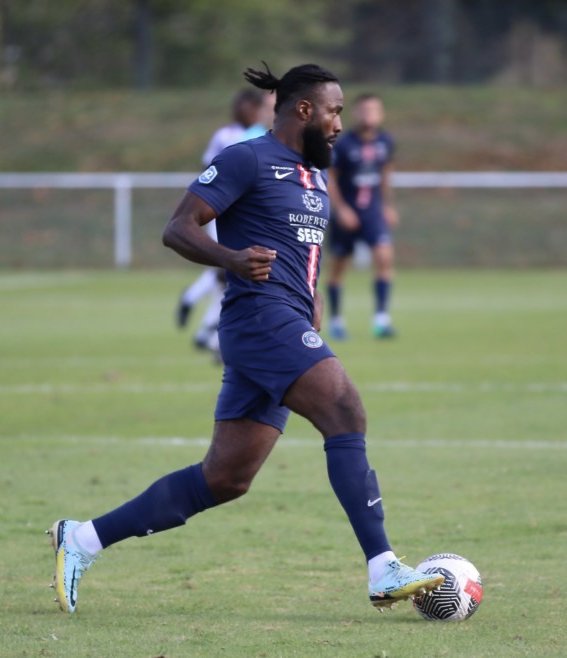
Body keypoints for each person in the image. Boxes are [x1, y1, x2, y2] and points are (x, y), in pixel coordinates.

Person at [48, 63, 443, 614]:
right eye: (334, 111)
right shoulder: (247, 158)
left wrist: (313, 302)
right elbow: (179, 227)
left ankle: (82, 538)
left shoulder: (314, 174)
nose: (339, 124)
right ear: (303, 110)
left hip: (288, 320)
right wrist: (231, 258)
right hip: (258, 319)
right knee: (345, 411)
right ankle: (382, 567)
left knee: (227, 477)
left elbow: (302, 250)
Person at [176, 89, 266, 358]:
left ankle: (207, 328)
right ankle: (211, 329)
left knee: (232, 273)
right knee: (226, 267)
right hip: (221, 211)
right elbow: (210, 172)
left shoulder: (264, 136)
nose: (241, 111)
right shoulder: (224, 135)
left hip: (248, 215)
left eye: (247, 107)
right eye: (239, 106)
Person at [325, 93, 399, 340]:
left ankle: (381, 319)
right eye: (364, 110)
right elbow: (331, 179)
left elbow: (385, 174)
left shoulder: (385, 142)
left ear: (381, 114)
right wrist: (341, 209)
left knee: (384, 257)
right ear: (356, 113)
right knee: (338, 268)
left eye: (374, 110)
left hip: (372, 213)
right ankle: (336, 320)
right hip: (347, 214)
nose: (369, 115)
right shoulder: (344, 145)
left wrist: (388, 206)